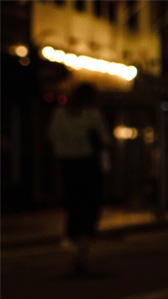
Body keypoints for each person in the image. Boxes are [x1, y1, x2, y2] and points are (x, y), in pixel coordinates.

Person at [47, 82, 108, 275]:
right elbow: (104, 139)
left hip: (67, 164)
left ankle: (76, 251)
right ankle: (80, 252)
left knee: (74, 206)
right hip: (87, 164)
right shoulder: (92, 115)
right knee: (89, 207)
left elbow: (52, 137)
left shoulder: (59, 114)